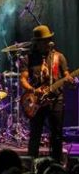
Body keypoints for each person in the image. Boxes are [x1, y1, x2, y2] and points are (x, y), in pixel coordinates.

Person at [19, 24, 73, 162]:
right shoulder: (28, 59)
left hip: (56, 99)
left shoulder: (59, 57)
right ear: (36, 42)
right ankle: (31, 163)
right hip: (37, 100)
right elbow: (23, 79)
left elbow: (66, 75)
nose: (45, 43)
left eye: (47, 40)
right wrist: (33, 90)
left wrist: (69, 80)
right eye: (42, 41)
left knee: (57, 134)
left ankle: (56, 164)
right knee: (35, 134)